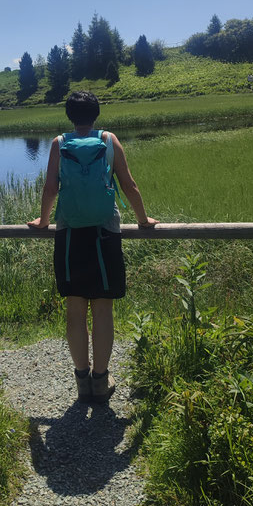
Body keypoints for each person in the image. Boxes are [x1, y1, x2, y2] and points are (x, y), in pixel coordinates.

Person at [27, 91, 157, 404]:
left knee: (75, 308)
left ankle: (81, 380)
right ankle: (101, 380)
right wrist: (143, 219)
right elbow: (128, 184)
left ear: (70, 115)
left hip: (70, 234)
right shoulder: (109, 140)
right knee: (102, 307)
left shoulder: (59, 143)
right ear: (96, 113)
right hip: (105, 233)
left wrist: (44, 221)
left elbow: (50, 188)